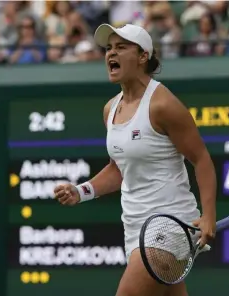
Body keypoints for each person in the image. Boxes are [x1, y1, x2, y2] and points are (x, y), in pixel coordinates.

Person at [53, 23, 217, 296]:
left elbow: (201, 160)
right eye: (108, 48)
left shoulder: (163, 104)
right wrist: (81, 191)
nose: (110, 54)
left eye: (120, 47)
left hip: (170, 224)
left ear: (143, 56)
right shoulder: (110, 109)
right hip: (135, 229)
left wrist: (209, 215)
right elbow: (118, 168)